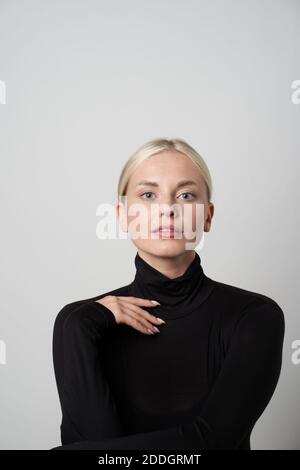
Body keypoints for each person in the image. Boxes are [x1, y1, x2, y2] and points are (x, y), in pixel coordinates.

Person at [51, 138, 285, 450]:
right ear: (122, 215)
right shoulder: (80, 322)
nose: (167, 210)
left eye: (186, 195)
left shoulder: (254, 316)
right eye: (148, 195)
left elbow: (213, 442)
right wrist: (77, 326)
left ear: (207, 216)